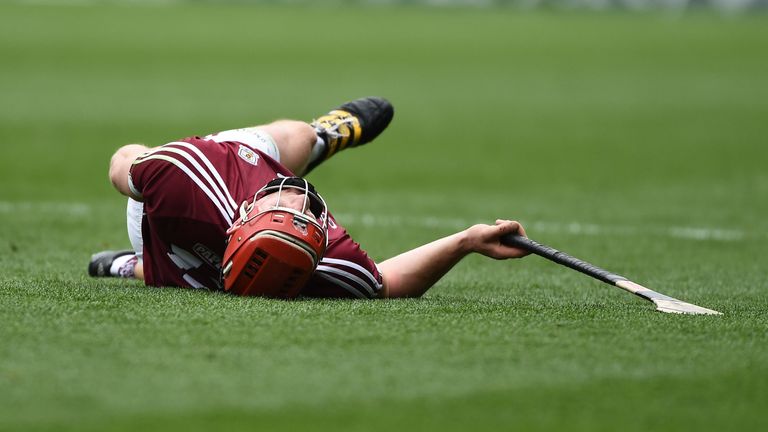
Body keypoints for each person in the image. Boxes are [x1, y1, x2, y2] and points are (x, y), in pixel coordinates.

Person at [89, 97, 529, 299]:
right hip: (198, 252)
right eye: (306, 216)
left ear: (245, 215)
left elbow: (121, 162)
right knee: (299, 137)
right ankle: (323, 137)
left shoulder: (193, 176)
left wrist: (140, 167)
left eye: (282, 206)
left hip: (160, 226)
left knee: (172, 271)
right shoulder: (327, 261)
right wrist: (466, 241)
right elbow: (389, 283)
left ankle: (131, 264)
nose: (297, 194)